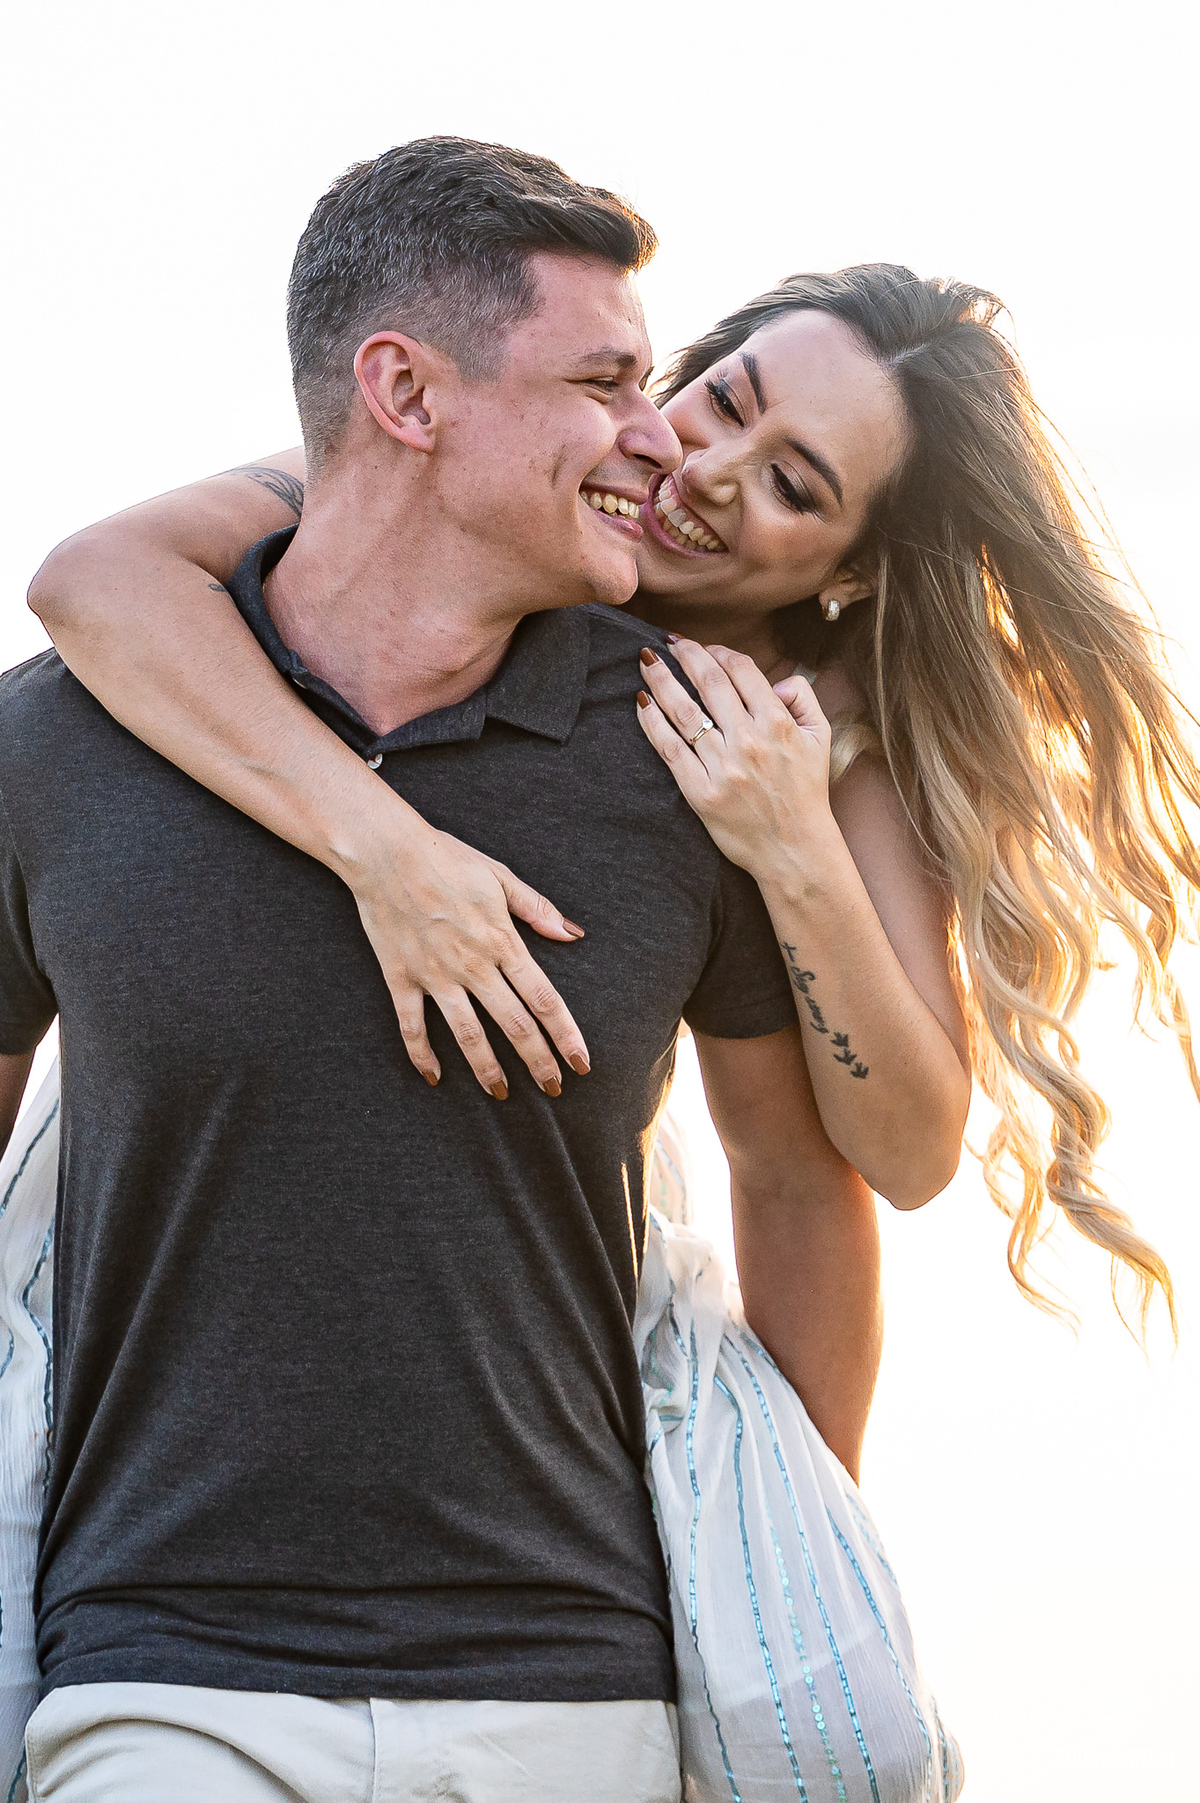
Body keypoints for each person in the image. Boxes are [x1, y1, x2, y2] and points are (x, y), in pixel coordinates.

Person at [0, 139, 960, 1803]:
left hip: (566, 1665)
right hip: (169, 1658)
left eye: (797, 484)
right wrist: (391, 853)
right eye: (696, 395)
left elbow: (865, 1167)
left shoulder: (766, 760)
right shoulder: (177, 634)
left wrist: (778, 1597)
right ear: (412, 396)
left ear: (845, 569)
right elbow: (90, 581)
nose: (689, 462)